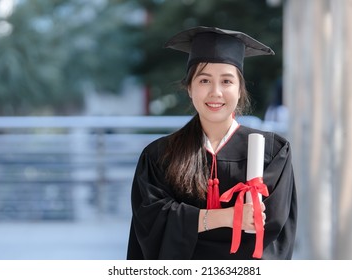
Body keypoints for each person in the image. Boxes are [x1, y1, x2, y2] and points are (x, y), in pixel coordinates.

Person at [126, 26, 297, 260]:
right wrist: (229, 218)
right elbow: (151, 224)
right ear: (189, 88)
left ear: (240, 90)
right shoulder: (159, 155)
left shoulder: (273, 152)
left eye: (227, 81)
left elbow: (271, 234)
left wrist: (188, 224)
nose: (215, 92)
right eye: (204, 80)